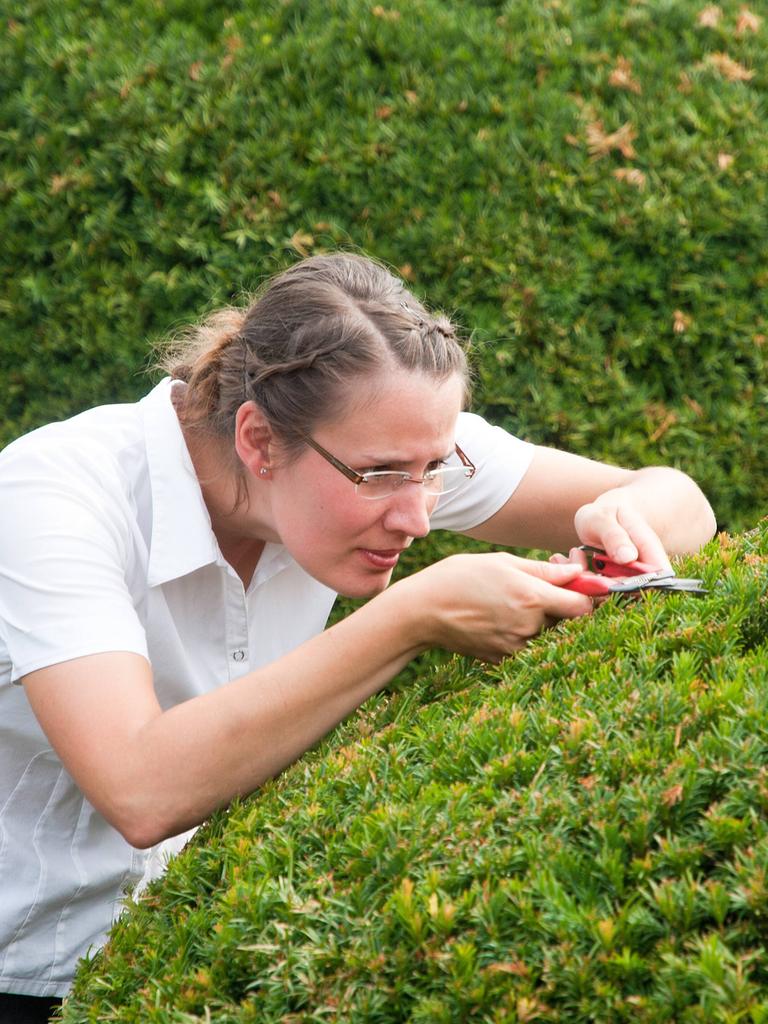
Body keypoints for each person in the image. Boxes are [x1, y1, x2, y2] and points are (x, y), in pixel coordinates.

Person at [0, 252, 716, 1019]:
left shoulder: (385, 443)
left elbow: (683, 501)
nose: (415, 515)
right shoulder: (53, 497)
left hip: (199, 954)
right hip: (23, 974)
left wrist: (621, 520)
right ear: (258, 440)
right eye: (381, 477)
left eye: (435, 469)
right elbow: (140, 789)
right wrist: (411, 615)